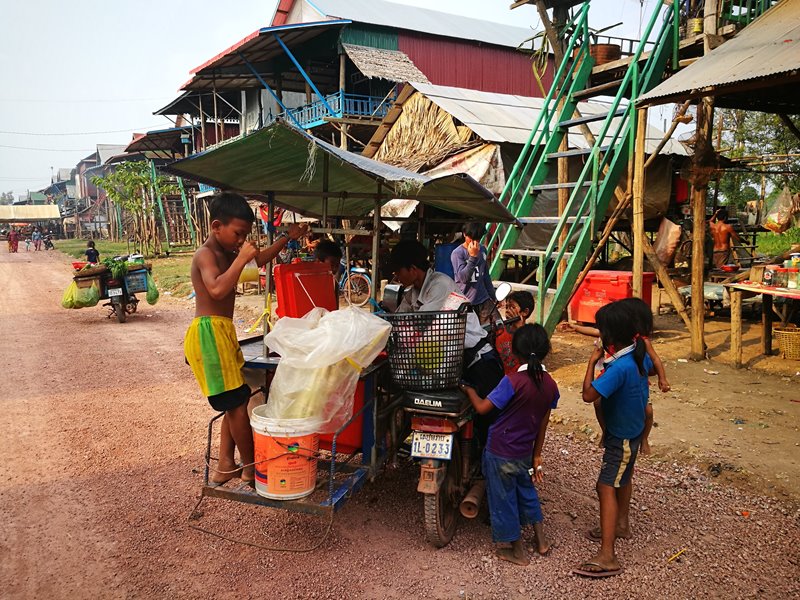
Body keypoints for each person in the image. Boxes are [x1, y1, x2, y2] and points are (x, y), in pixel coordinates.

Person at [184, 191, 308, 487]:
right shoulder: (206, 255)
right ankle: (251, 467)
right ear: (216, 226)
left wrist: (286, 238)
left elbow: (259, 259)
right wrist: (241, 257)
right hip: (209, 334)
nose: (242, 240)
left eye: (245, 234)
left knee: (236, 399)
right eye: (238, 233)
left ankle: (226, 464)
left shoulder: (228, 253)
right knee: (237, 404)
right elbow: (215, 289)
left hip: (222, 332)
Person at [460, 324, 559, 565]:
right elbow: (543, 422)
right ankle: (541, 541)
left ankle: (517, 551)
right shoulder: (550, 385)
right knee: (526, 492)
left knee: (502, 497)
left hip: (500, 450)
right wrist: (537, 455)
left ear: (514, 353)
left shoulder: (512, 380)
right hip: (524, 450)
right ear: (546, 351)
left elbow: (483, 408)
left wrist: (468, 390)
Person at [575, 300, 655, 578]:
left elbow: (588, 396)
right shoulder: (637, 354)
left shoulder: (619, 367)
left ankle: (608, 554)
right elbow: (650, 374)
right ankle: (621, 524)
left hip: (620, 436)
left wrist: (591, 362)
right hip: (633, 430)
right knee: (624, 479)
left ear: (609, 335)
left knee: (605, 486)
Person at [390, 239, 504, 399]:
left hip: (477, 362)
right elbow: (399, 318)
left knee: (485, 419)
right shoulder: (413, 293)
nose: (396, 276)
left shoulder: (440, 284)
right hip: (453, 364)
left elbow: (419, 322)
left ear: (413, 269)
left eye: (398, 271)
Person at [560, 297, 669, 456]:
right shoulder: (624, 349)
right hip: (615, 378)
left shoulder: (633, 352)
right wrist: (574, 327)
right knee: (602, 405)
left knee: (647, 411)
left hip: (629, 383)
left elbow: (587, 395)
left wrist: (662, 378)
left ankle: (643, 438)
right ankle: (608, 432)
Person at [451, 222, 497, 325]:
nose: (473, 242)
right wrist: (473, 257)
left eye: (477, 239)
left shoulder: (483, 250)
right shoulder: (457, 253)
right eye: (470, 238)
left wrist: (493, 296)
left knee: (494, 328)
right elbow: (464, 278)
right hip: (466, 302)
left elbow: (485, 276)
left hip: (483, 299)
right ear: (464, 234)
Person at [495, 291, 534, 375]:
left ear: (525, 312)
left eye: (512, 307)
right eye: (507, 307)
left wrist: (518, 328)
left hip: (521, 378)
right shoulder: (500, 331)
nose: (508, 311)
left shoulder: (530, 335)